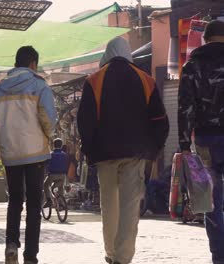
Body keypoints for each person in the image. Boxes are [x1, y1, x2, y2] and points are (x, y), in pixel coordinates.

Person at [77, 36, 169, 264]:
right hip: (135, 154)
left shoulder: (94, 80)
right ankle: (122, 258)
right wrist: (154, 149)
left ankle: (110, 253)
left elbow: (85, 122)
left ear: (107, 54)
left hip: (104, 154)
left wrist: (89, 151)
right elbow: (159, 120)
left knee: (109, 205)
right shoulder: (145, 80)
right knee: (129, 207)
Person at [0, 46, 56, 264]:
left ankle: (11, 245)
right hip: (35, 155)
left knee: (14, 201)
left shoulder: (1, 87)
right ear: (33, 63)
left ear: (16, 63)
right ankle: (30, 256)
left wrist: (3, 135)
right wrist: (45, 135)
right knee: (34, 204)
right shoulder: (39, 85)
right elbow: (49, 119)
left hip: (11, 154)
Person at [178, 20, 224, 264]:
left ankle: (219, 255)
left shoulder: (192, 66)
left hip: (205, 139)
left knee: (212, 198)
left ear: (205, 38)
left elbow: (186, 107)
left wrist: (185, 145)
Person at [43, 138, 68, 208]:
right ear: (61, 145)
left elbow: (46, 164)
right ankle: (61, 203)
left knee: (45, 185)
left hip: (52, 175)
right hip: (63, 175)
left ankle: (48, 200)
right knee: (60, 187)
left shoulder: (50, 154)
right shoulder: (64, 155)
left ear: (53, 145)